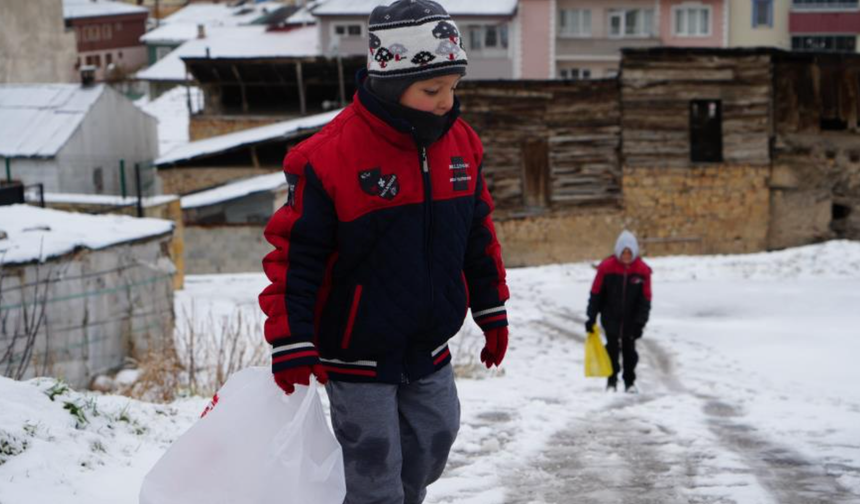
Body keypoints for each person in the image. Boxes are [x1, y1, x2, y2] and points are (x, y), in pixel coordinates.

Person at [258, 1, 510, 503]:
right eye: (432, 90)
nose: (447, 101)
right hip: (356, 348)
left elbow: (477, 235)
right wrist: (292, 340)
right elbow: (295, 259)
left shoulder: (461, 144)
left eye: (453, 87)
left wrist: (491, 309)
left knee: (436, 438)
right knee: (373, 464)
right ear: (393, 85)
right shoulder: (327, 158)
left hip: (429, 343)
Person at [585, 230, 652, 393]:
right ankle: (612, 381)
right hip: (611, 317)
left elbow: (646, 299)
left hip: (631, 319)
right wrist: (591, 317)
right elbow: (596, 293)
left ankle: (629, 382)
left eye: (630, 252)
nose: (627, 256)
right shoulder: (606, 268)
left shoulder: (642, 271)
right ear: (618, 251)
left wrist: (640, 322)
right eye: (624, 252)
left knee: (630, 351)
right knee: (612, 350)